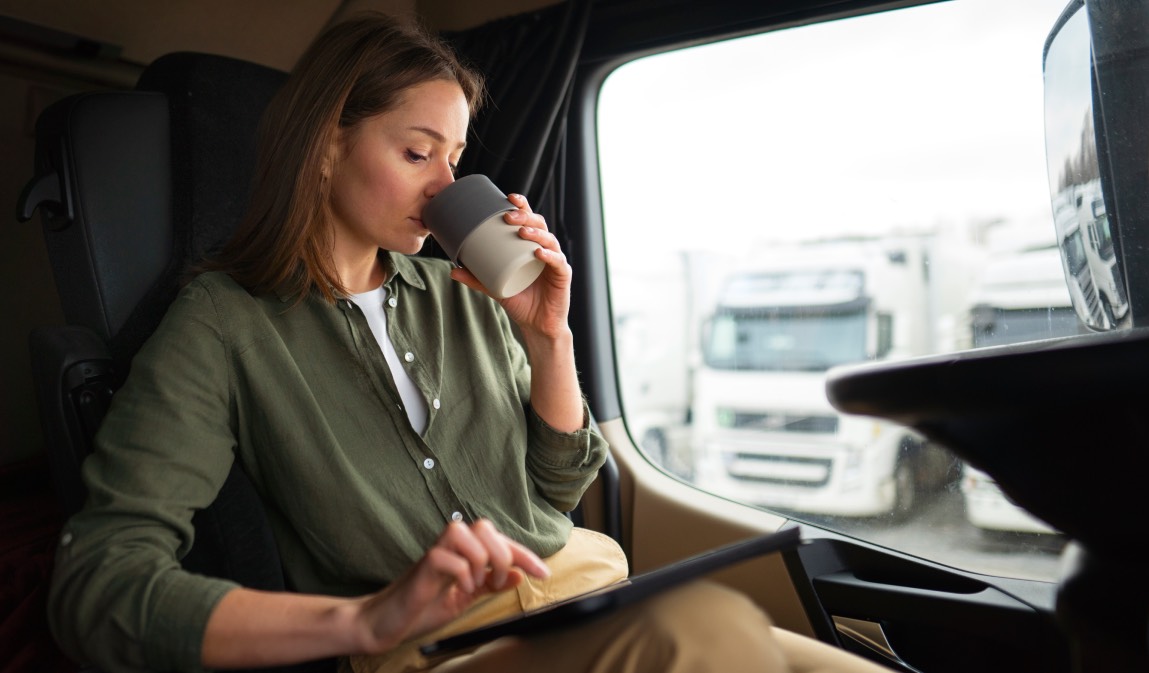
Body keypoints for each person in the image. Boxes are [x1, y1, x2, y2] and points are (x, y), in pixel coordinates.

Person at [47, 11, 892, 673]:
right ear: (325, 148)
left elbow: (557, 490)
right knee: (702, 628)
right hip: (438, 650)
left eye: (454, 158)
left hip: (590, 593)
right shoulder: (221, 322)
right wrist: (361, 619)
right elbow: (98, 585)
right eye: (419, 153)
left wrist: (549, 337)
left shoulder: (465, 292)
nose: (446, 186)